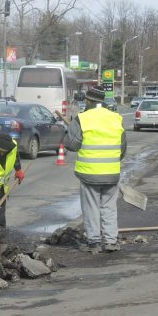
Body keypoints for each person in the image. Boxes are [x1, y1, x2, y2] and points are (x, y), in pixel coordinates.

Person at [63, 85, 127, 253]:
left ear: (88, 100)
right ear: (103, 99)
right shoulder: (116, 118)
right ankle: (111, 241)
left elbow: (71, 145)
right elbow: (122, 149)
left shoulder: (82, 118)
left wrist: (69, 131)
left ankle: (94, 242)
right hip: (111, 173)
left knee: (91, 207)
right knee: (109, 207)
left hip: (89, 173)